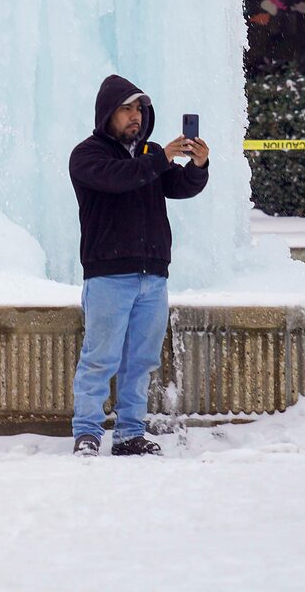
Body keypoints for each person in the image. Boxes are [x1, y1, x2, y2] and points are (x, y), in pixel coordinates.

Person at [69, 72, 209, 456]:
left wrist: (198, 166)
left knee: (141, 363)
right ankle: (87, 433)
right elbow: (118, 179)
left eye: (139, 109)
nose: (135, 116)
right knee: (100, 359)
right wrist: (161, 158)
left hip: (153, 277)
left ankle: (130, 433)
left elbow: (181, 187)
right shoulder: (88, 155)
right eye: (126, 109)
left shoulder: (149, 156)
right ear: (107, 114)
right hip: (109, 277)